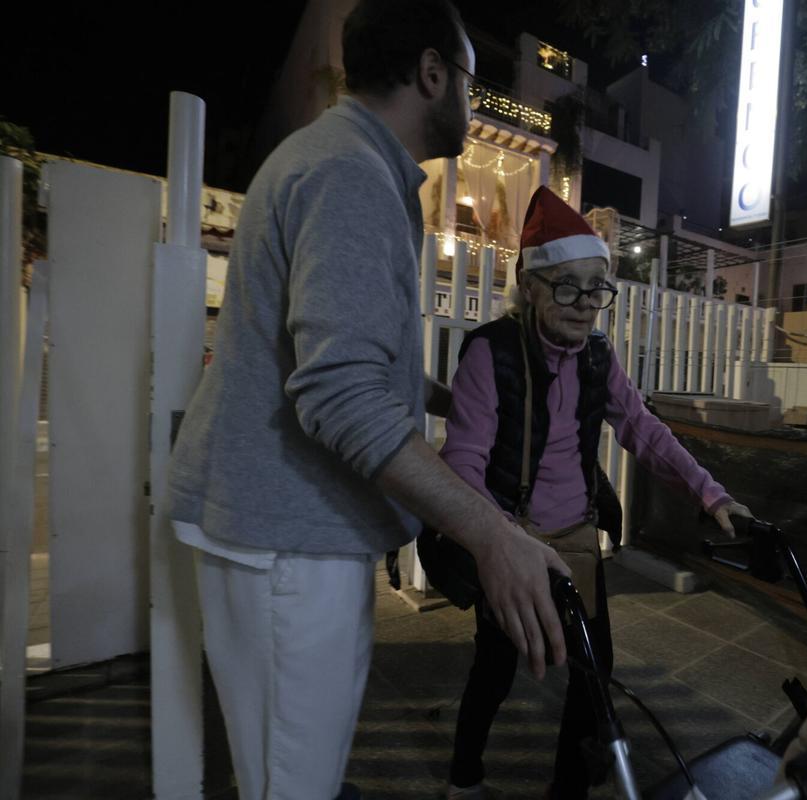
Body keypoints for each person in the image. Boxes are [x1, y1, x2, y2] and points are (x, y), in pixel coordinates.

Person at [166, 2, 570, 798]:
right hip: (289, 539)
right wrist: (494, 536)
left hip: (281, 528)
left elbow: (328, 354)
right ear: (431, 74)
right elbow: (338, 392)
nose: (473, 100)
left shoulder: (338, 159)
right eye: (470, 80)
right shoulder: (350, 174)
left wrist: (449, 396)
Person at [442, 186, 753, 799]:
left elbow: (642, 428)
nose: (585, 305)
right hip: (510, 536)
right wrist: (492, 545)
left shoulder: (597, 357)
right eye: (566, 285)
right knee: (496, 667)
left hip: (578, 534)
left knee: (593, 672)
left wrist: (712, 495)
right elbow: (463, 464)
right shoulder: (490, 352)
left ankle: (570, 788)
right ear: (528, 286)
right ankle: (464, 776)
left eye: (596, 287)